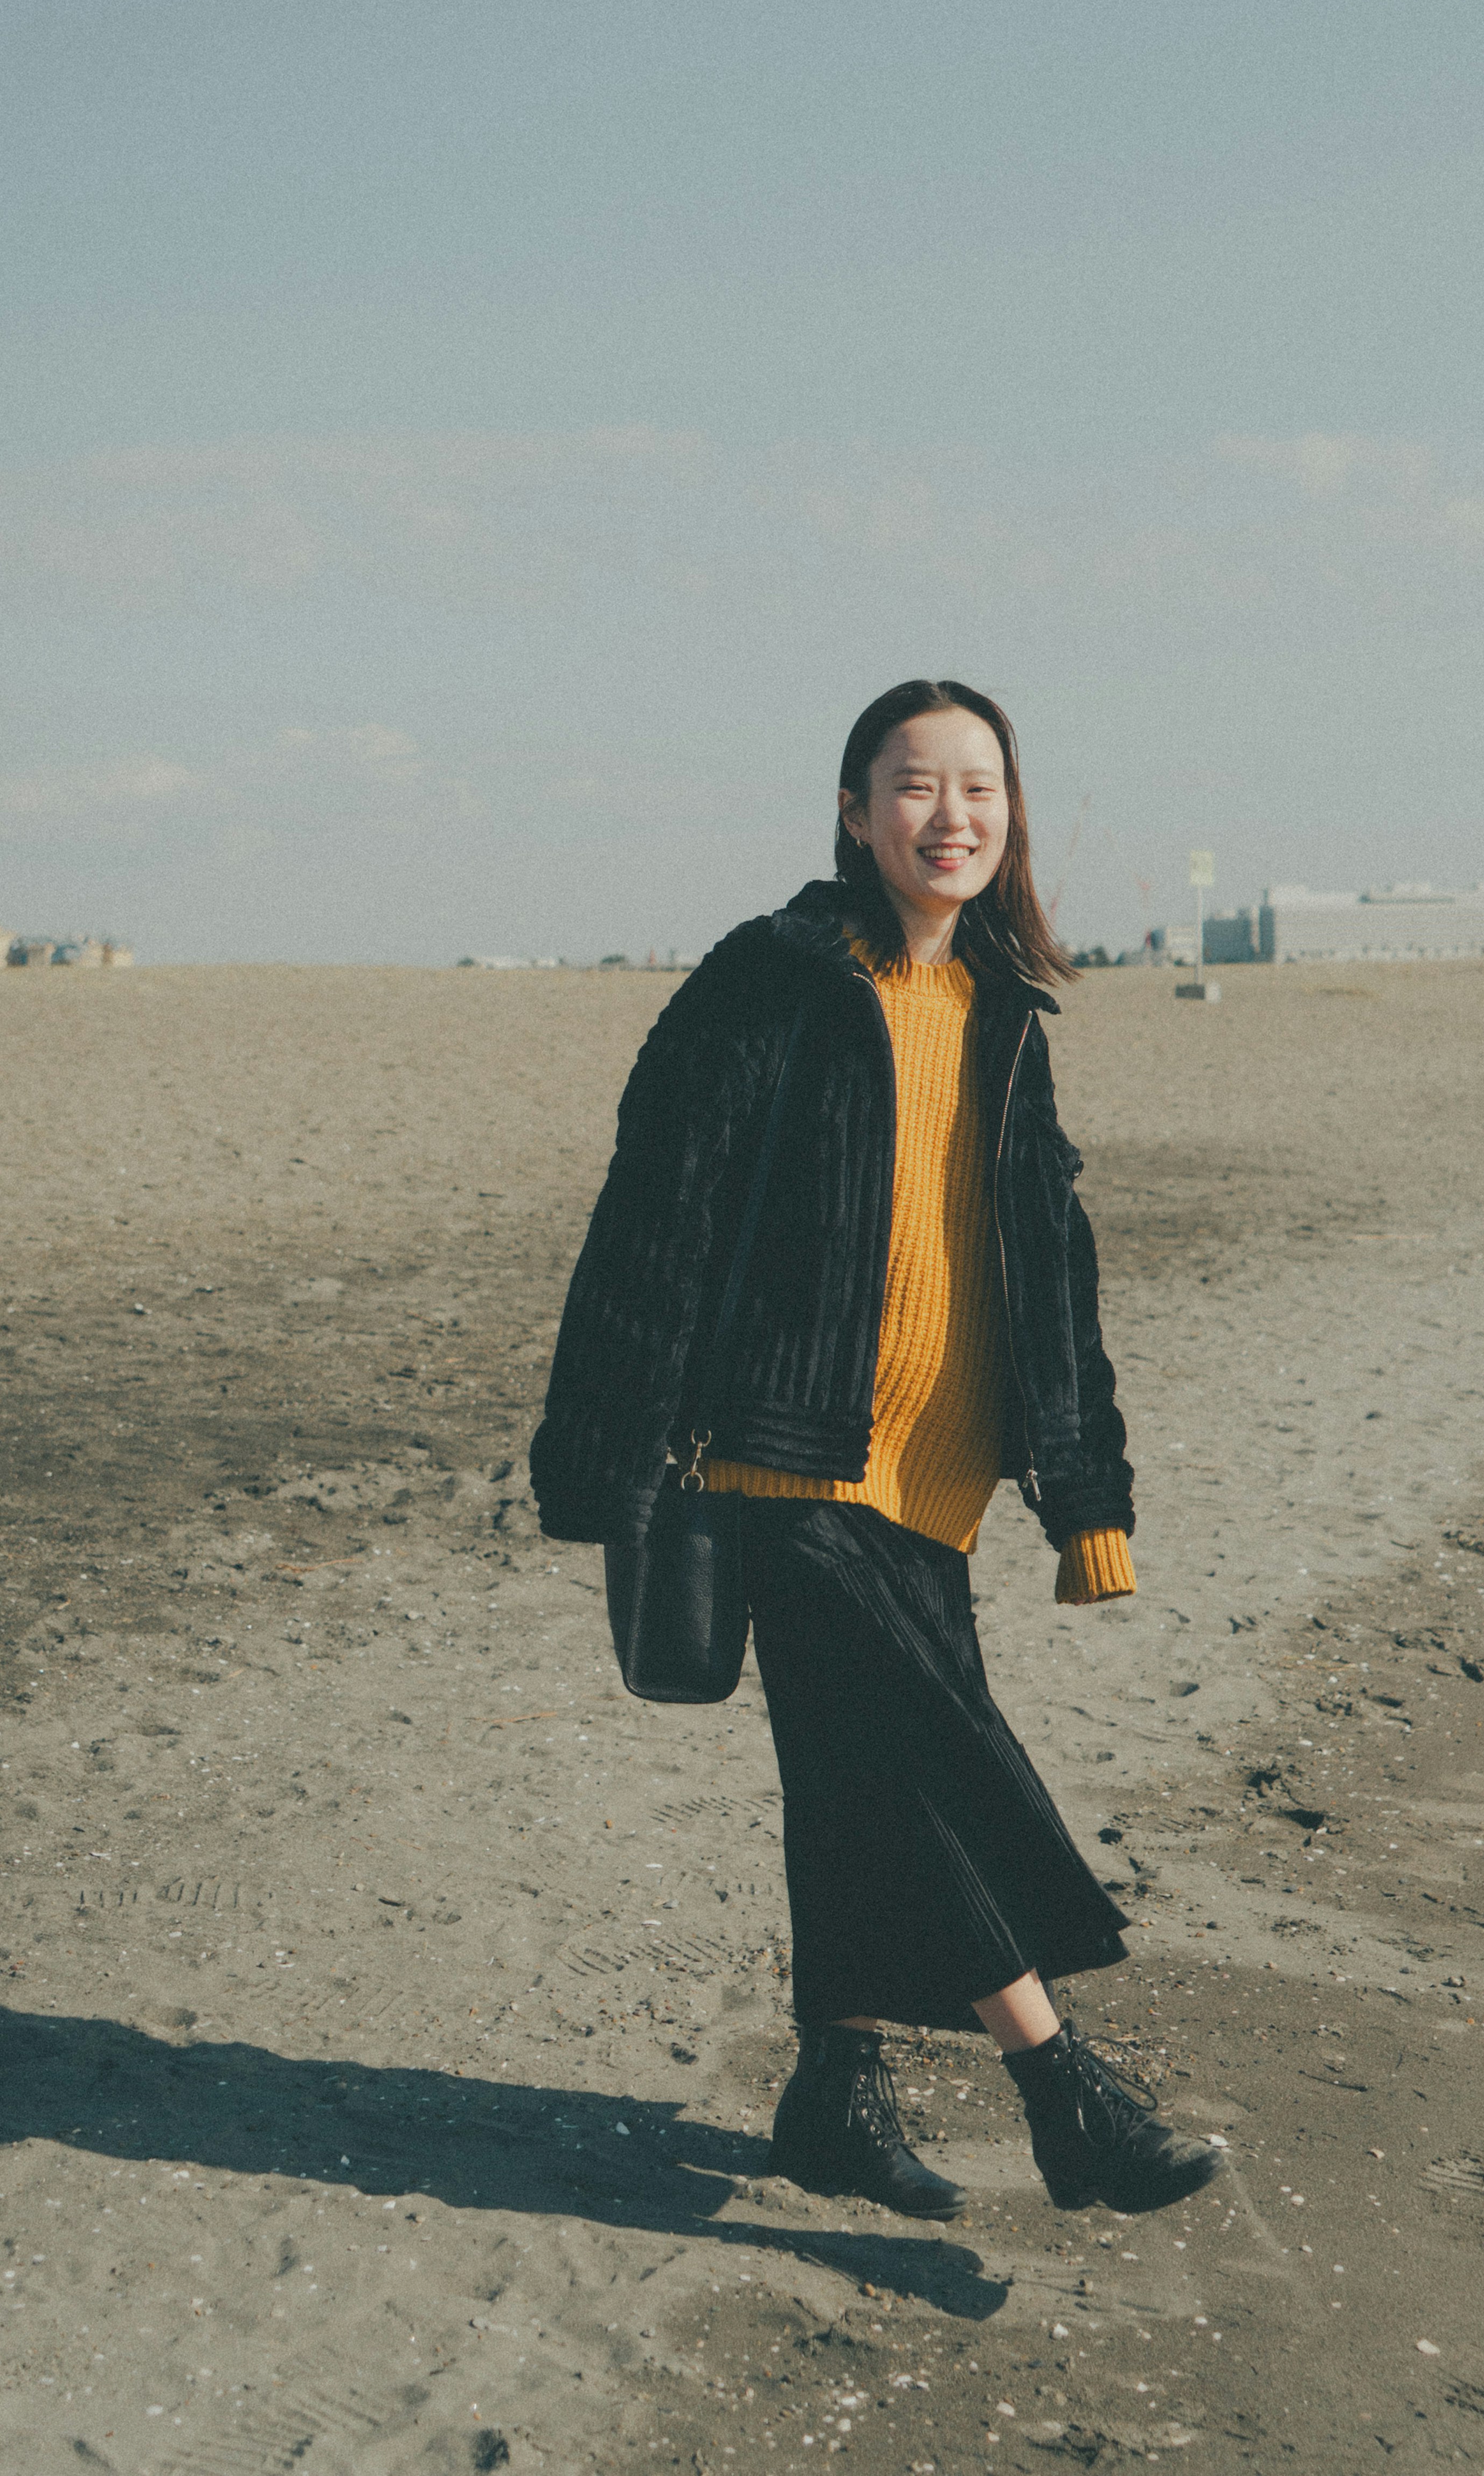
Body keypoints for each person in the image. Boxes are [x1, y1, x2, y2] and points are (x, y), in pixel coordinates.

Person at [531, 678, 1219, 2222]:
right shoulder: (767, 984)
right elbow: (656, 1216)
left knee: (853, 1774)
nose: (952, 814)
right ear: (854, 811)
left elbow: (1052, 1267)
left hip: (944, 1473)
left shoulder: (1004, 1015)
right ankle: (1066, 2089)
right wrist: (606, 1455)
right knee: (928, 1759)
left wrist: (1085, 1501)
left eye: (981, 786)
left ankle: (835, 2091)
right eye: (915, 785)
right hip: (779, 1455)